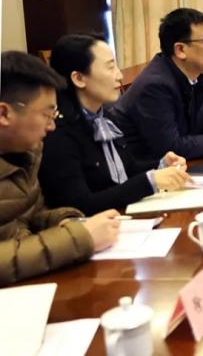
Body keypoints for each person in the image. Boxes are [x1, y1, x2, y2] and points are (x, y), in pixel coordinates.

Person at [0, 51, 120, 285]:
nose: (52, 126)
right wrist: (79, 238)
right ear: (4, 113)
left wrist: (67, 221)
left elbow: (31, 215)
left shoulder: (26, 152)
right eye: (47, 114)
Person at [40, 34, 192, 215]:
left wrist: (161, 165)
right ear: (79, 78)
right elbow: (79, 205)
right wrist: (150, 181)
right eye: (110, 67)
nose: (119, 75)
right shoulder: (58, 131)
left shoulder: (105, 117)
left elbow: (126, 170)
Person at [112, 8, 203, 161]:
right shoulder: (155, 86)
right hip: (148, 171)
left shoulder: (199, 76)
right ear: (180, 50)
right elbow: (171, 148)